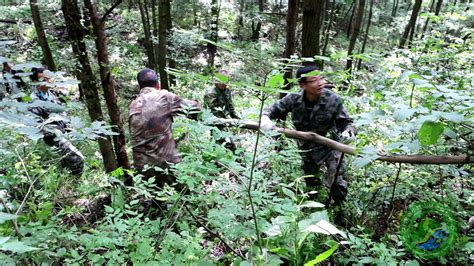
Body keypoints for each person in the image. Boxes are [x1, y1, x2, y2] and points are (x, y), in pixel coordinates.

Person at [260, 65, 356, 205]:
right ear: (302, 85)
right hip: (307, 148)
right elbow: (271, 110)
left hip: (330, 146)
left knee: (337, 180)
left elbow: (347, 122)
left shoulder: (332, 99)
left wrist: (349, 132)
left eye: (321, 78)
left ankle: (340, 211)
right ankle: (313, 208)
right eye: (314, 80)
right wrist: (265, 119)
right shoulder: (293, 99)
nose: (320, 83)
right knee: (311, 181)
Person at [129, 68, 201, 188]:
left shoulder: (133, 104)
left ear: (139, 87)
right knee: (188, 193)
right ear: (158, 84)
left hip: (142, 165)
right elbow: (195, 109)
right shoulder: (163, 96)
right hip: (166, 160)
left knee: (156, 200)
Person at [29, 67, 84, 175]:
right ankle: (77, 181)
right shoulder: (34, 99)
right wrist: (53, 132)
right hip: (52, 136)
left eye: (48, 78)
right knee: (78, 158)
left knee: (65, 162)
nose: (48, 81)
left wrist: (68, 127)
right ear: (35, 82)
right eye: (44, 79)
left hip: (64, 131)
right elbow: (36, 123)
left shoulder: (53, 94)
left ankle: (68, 186)